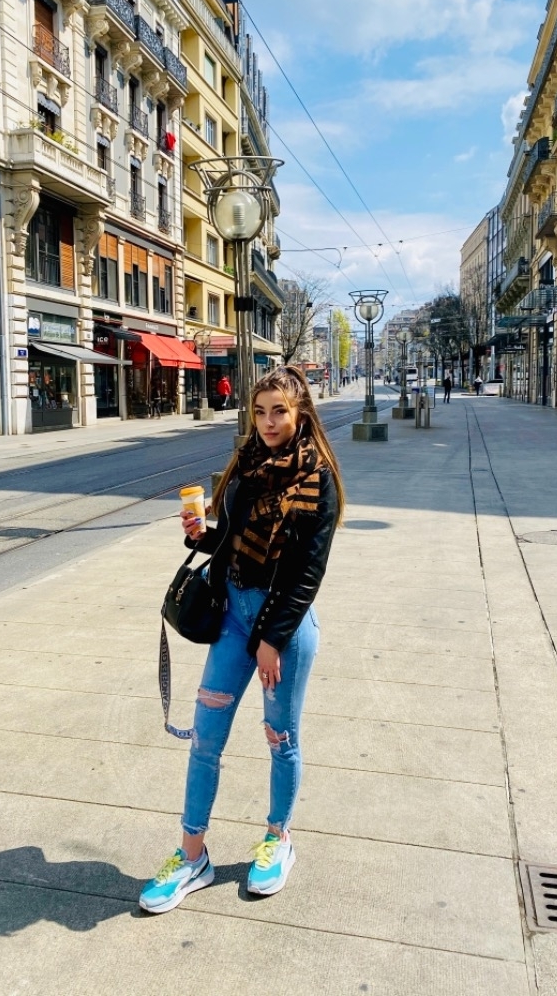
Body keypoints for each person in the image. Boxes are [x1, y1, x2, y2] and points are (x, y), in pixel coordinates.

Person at [139, 365, 345, 914]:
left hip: (283, 627)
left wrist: (272, 639)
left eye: (279, 411)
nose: (268, 422)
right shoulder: (245, 465)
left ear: (301, 413)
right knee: (205, 738)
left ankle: (278, 838)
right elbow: (231, 542)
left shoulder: (317, 478)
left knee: (281, 737)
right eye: (259, 412)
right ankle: (192, 856)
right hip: (232, 617)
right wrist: (203, 535)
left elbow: (307, 573)